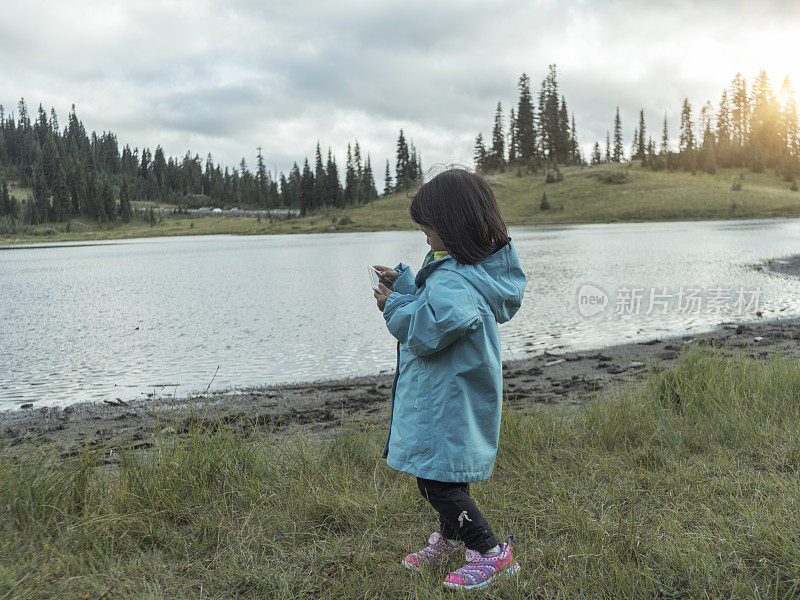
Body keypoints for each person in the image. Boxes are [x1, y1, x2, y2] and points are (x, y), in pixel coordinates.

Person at [372, 167, 526, 591]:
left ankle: (490, 552)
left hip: (448, 401)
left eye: (429, 226)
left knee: (437, 482)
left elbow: (429, 328)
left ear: (454, 225)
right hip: (455, 394)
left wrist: (393, 306)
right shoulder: (461, 269)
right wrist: (405, 285)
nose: (424, 233)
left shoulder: (455, 280)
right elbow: (435, 304)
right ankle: (456, 537)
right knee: (444, 475)